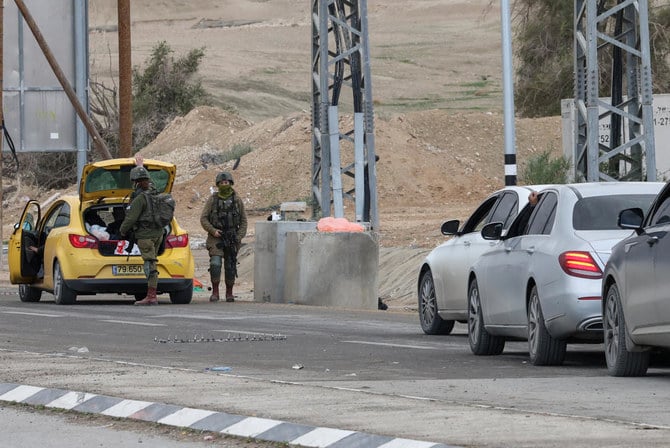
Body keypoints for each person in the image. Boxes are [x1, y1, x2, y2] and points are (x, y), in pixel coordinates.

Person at [119, 166, 165, 306]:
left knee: (149, 264)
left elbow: (131, 218)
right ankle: (151, 293)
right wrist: (141, 165)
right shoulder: (156, 194)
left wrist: (122, 231)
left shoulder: (140, 198)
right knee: (153, 261)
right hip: (159, 234)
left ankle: (151, 296)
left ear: (135, 182)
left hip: (145, 236)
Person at [200, 171, 248, 302]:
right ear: (217, 185)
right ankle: (215, 291)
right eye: (221, 183)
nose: (224, 185)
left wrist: (239, 237)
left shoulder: (237, 200)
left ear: (231, 183)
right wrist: (213, 230)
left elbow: (244, 221)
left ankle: (229, 293)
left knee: (230, 265)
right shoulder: (213, 200)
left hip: (232, 237)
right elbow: (203, 218)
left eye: (226, 183)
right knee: (215, 264)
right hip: (216, 236)